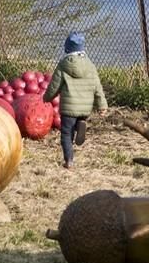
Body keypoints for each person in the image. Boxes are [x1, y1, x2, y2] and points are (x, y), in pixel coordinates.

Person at [43, 32, 107, 169]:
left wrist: (47, 98)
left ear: (67, 48)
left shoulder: (63, 65)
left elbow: (55, 85)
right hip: (85, 107)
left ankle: (69, 160)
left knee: (66, 134)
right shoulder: (90, 65)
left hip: (69, 108)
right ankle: (80, 124)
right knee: (76, 123)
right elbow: (97, 86)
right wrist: (102, 105)